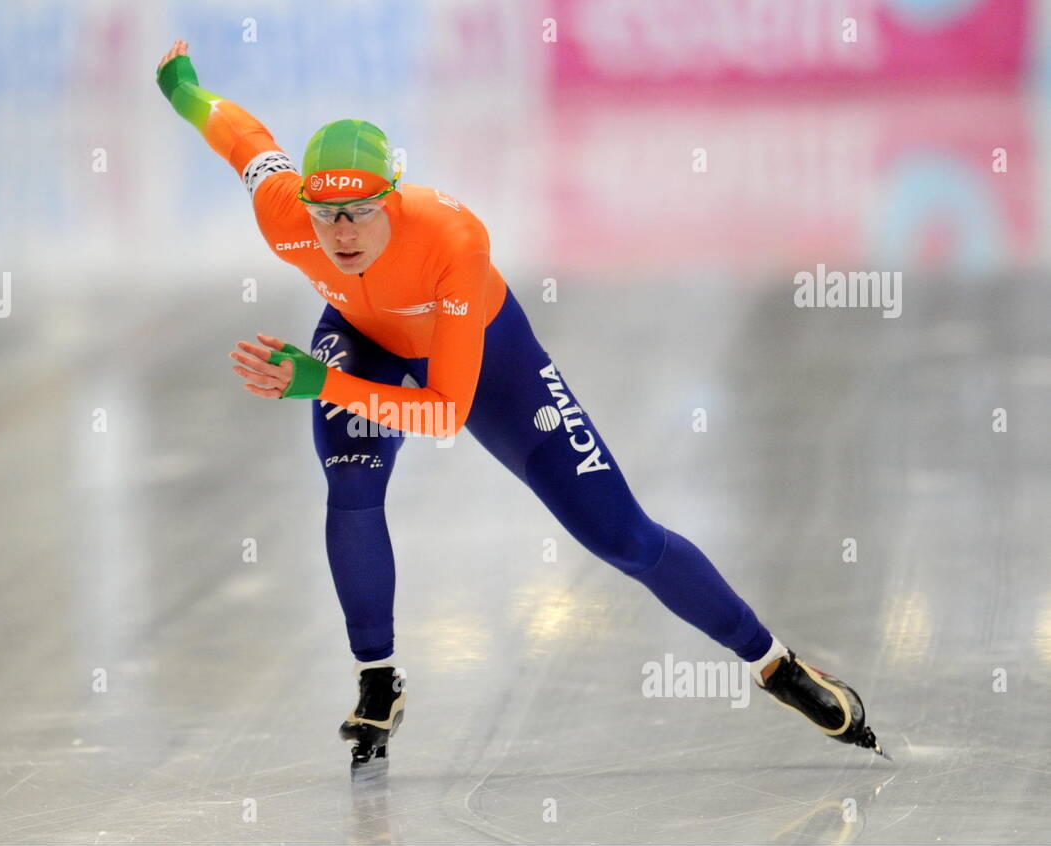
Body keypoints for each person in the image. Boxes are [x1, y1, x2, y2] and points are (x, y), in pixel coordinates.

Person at [155, 40, 886, 778]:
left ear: (392, 200)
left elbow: (444, 412)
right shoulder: (285, 212)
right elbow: (244, 140)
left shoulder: (451, 240)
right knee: (351, 483)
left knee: (621, 535)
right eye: (328, 215)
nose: (341, 234)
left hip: (484, 354)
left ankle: (774, 663)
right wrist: (183, 89)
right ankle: (377, 676)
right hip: (361, 338)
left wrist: (320, 384)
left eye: (361, 213)